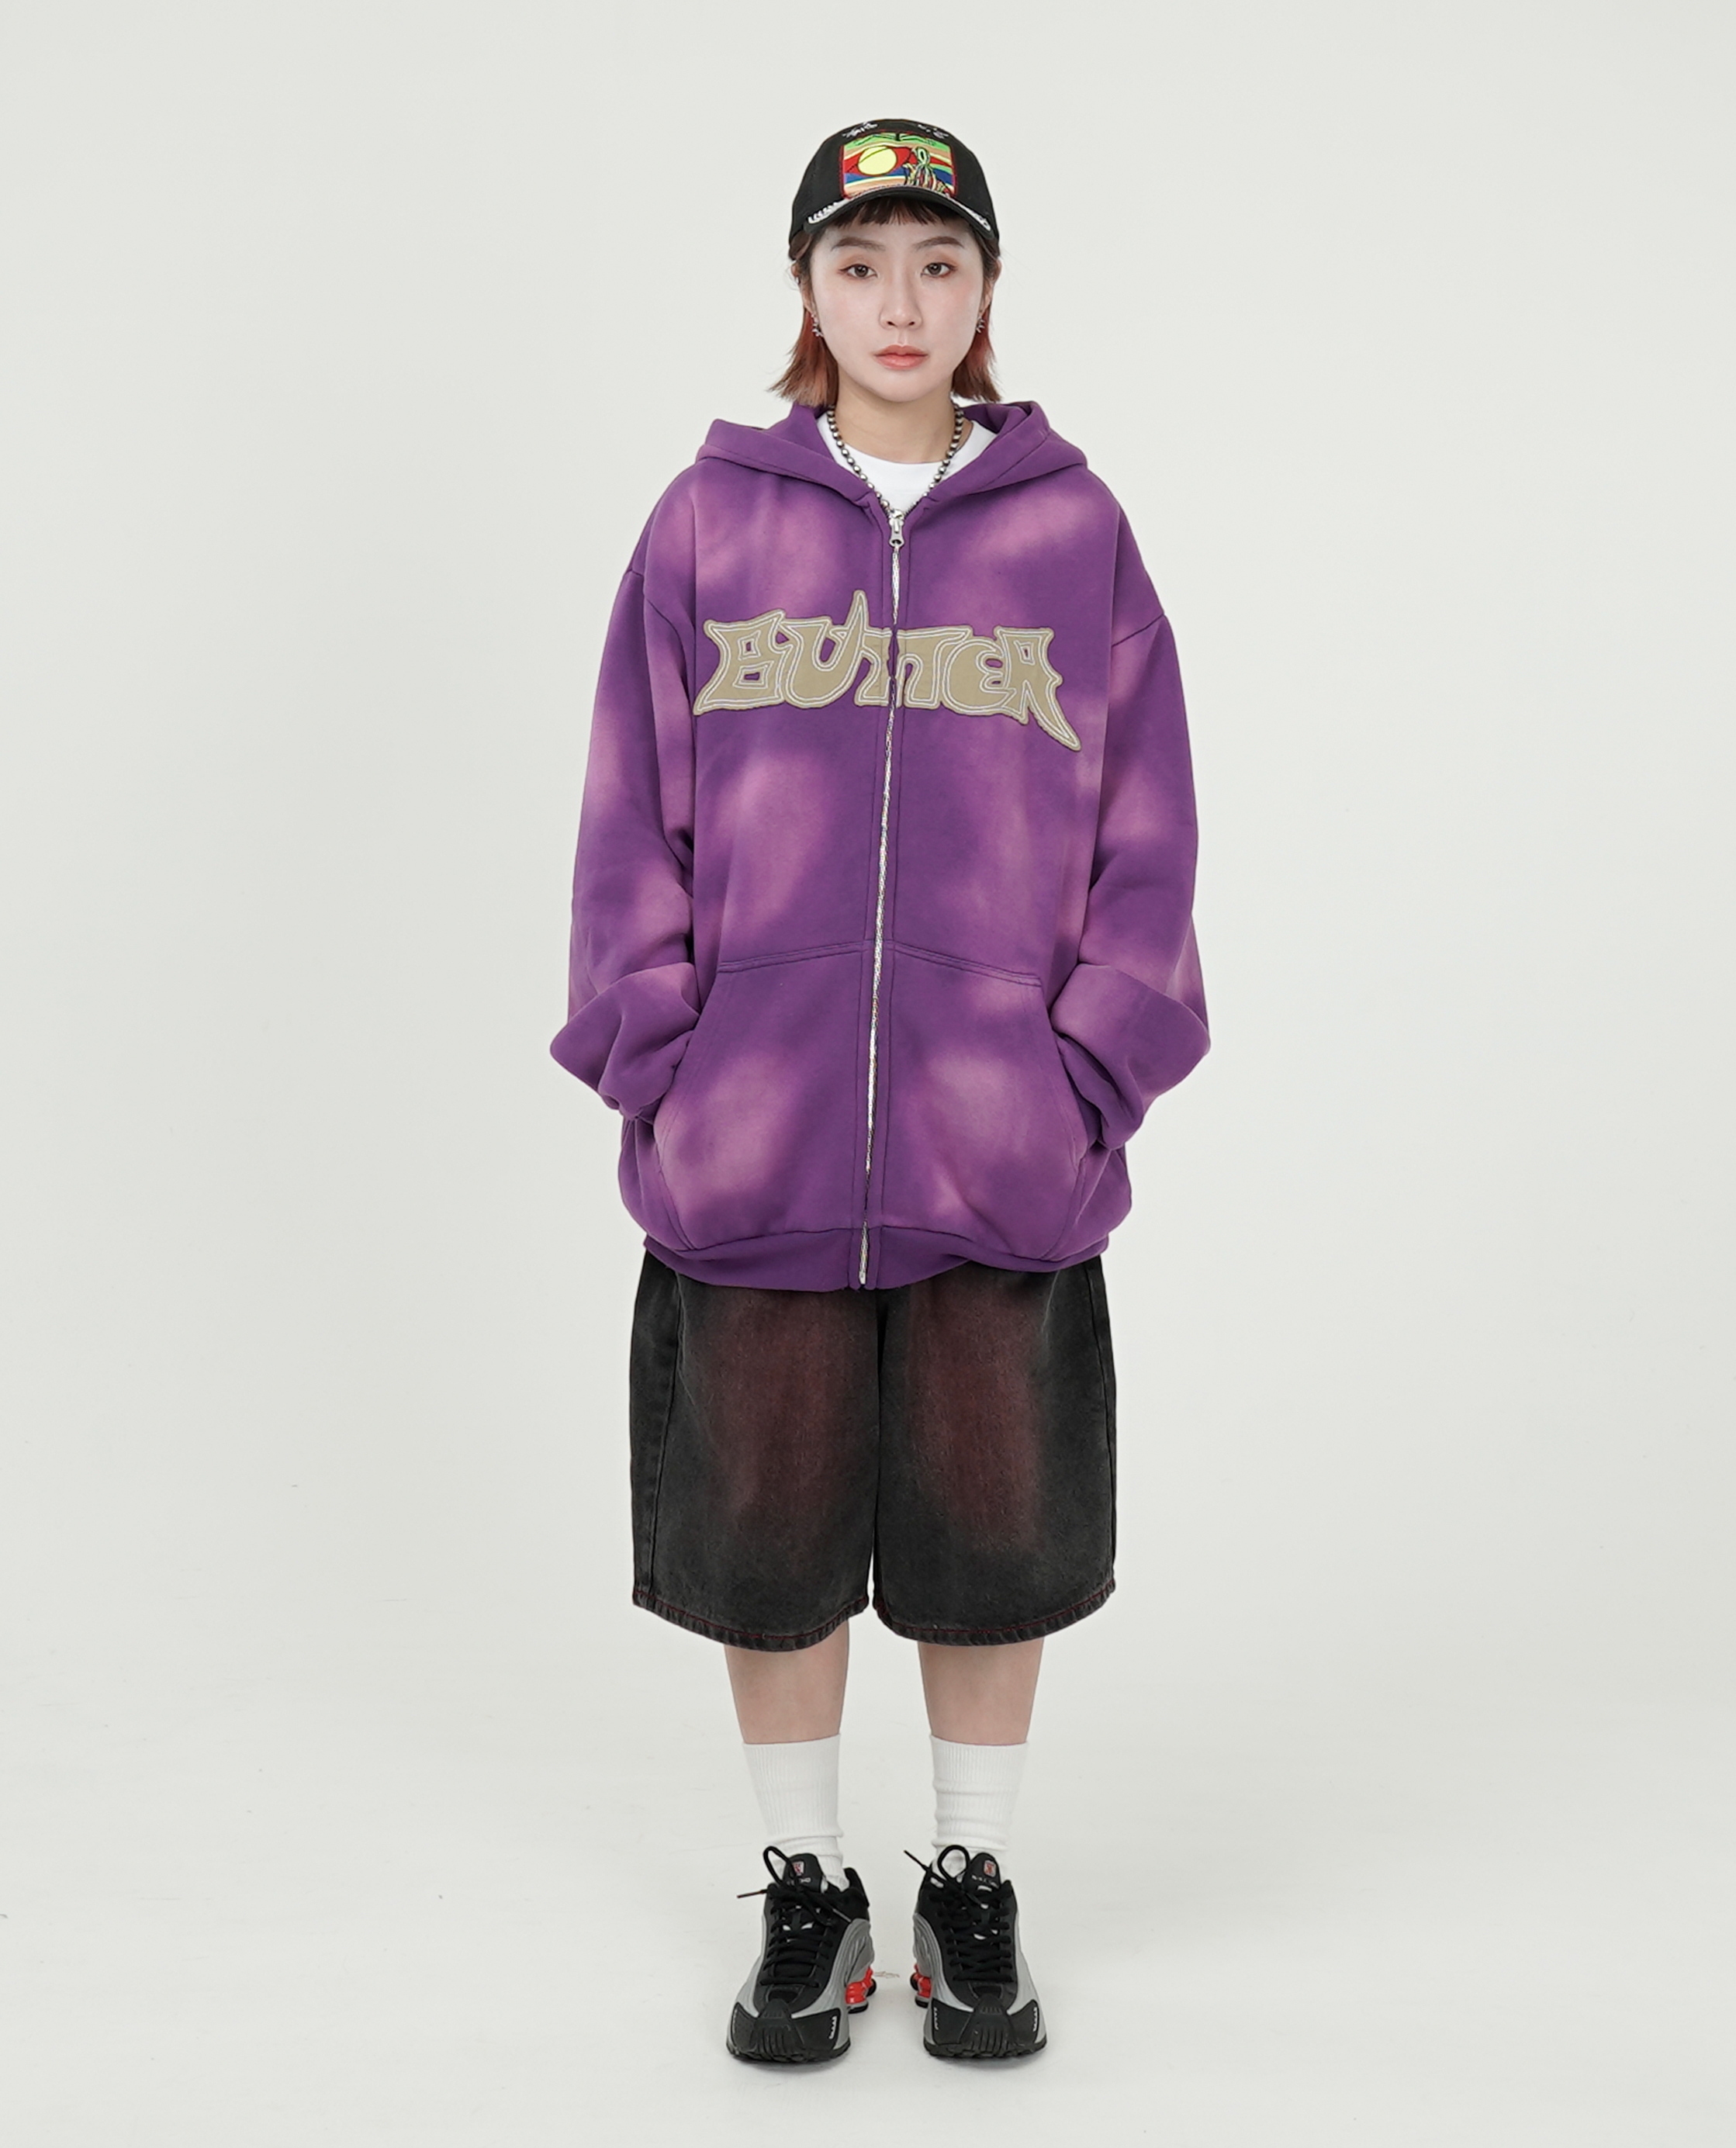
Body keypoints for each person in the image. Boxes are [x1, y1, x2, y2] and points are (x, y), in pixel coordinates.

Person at [551, 117, 1209, 2065]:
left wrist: (1086, 1072)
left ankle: (971, 1880)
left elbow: (1150, 832)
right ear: (807, 290)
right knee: (764, 1540)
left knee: (994, 1533)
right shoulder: (708, 526)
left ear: (987, 286)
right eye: (861, 265)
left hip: (1000, 1155)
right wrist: (666, 1068)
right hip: (751, 1154)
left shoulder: (1074, 535)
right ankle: (806, 1889)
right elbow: (627, 820)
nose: (900, 303)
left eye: (938, 263)